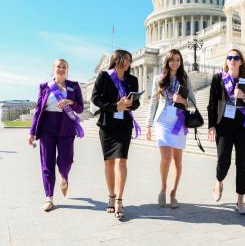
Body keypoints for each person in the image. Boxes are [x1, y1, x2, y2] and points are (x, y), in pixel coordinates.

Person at [207, 48, 245, 215]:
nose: (232, 60)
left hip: (243, 126)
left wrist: (243, 96)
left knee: (242, 163)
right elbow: (212, 104)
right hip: (224, 126)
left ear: (241, 61)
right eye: (229, 57)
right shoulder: (218, 78)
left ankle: (240, 201)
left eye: (236, 58)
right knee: (223, 161)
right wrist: (211, 125)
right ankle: (219, 180)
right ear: (226, 61)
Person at [28, 59, 84, 212]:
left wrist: (70, 102)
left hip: (66, 127)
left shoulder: (74, 86)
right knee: (47, 162)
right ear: (53, 69)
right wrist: (32, 132)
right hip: (48, 128)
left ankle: (64, 177)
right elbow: (39, 110)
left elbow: (80, 108)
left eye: (64, 67)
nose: (61, 69)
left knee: (66, 160)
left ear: (67, 70)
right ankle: (49, 198)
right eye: (58, 66)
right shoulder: (45, 87)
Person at [91, 49, 140, 220]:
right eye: (125, 59)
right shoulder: (104, 76)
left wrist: (130, 104)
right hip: (107, 125)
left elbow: (137, 103)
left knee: (121, 161)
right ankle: (111, 196)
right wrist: (115, 106)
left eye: (129, 60)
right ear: (116, 59)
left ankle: (119, 199)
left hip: (124, 125)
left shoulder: (132, 79)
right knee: (109, 163)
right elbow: (95, 99)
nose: (127, 62)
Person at [145, 49, 196, 209]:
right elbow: (153, 101)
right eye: (172, 59)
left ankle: (174, 193)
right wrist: (148, 124)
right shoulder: (159, 79)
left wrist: (183, 100)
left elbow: (193, 102)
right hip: (163, 121)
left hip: (178, 121)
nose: (175, 62)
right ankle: (163, 187)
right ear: (167, 61)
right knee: (166, 158)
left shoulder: (185, 79)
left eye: (178, 60)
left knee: (178, 160)